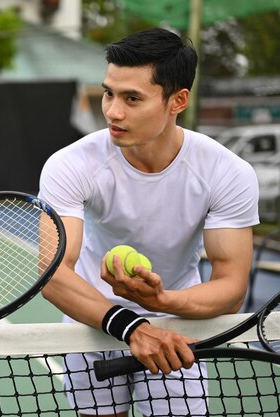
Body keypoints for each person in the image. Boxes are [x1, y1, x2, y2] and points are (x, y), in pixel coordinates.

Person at [39, 27, 259, 417]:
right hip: (92, 319)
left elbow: (232, 287)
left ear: (178, 101)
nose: (112, 111)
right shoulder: (69, 165)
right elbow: (53, 274)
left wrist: (161, 303)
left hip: (180, 322)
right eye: (109, 92)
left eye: (132, 98)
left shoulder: (227, 172)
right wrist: (134, 326)